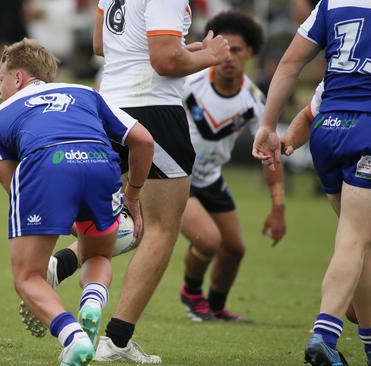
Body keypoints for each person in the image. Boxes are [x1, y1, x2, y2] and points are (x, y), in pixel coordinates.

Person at [0, 38, 155, 365]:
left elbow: (16, 187)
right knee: (98, 252)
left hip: (47, 168)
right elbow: (143, 140)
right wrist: (132, 194)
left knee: (28, 277)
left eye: (1, 78)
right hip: (100, 165)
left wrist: (59, 213)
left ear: (18, 78)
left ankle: (73, 338)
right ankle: (91, 303)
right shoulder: (86, 93)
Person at [252, 0, 371, 364]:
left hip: (328, 127)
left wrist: (269, 125)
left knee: (359, 243)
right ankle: (325, 334)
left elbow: (289, 63)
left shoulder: (332, 2)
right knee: (354, 240)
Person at [90, 0, 229, 362]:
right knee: (161, 229)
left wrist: (184, 52)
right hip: (152, 110)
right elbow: (164, 62)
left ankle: (63, 265)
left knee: (129, 221)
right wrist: (210, 56)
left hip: (110, 106)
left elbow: (101, 45)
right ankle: (117, 340)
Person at [177, 11, 286, 323]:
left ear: (250, 53)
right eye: (222, 49)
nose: (227, 57)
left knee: (235, 249)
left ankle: (216, 306)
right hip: (177, 178)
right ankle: (192, 293)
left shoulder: (254, 99)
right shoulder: (190, 83)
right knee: (209, 241)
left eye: (236, 50)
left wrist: (278, 206)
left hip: (210, 178)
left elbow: (269, 153)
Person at [283, 82, 371, 359]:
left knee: (353, 245)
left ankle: (340, 340)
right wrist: (286, 143)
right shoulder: (342, 75)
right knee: (354, 309)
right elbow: (307, 115)